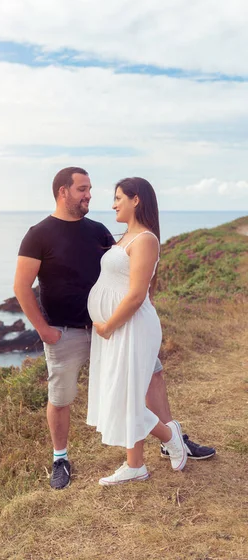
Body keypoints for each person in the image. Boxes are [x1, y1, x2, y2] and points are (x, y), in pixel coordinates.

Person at [14, 167, 215, 490]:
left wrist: (137, 309)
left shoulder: (99, 231)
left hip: (116, 328)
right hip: (69, 330)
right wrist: (44, 331)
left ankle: (171, 439)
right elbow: (22, 286)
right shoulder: (39, 233)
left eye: (91, 189)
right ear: (63, 192)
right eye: (82, 189)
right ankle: (61, 458)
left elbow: (136, 273)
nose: (90, 195)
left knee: (149, 378)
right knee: (63, 396)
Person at [88, 177, 185, 484]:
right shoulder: (126, 237)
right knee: (124, 394)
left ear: (136, 200)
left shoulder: (145, 239)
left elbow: (137, 294)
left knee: (126, 397)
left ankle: (170, 436)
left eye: (118, 198)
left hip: (129, 326)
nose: (114, 204)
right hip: (119, 326)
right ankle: (135, 465)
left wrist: (108, 325)